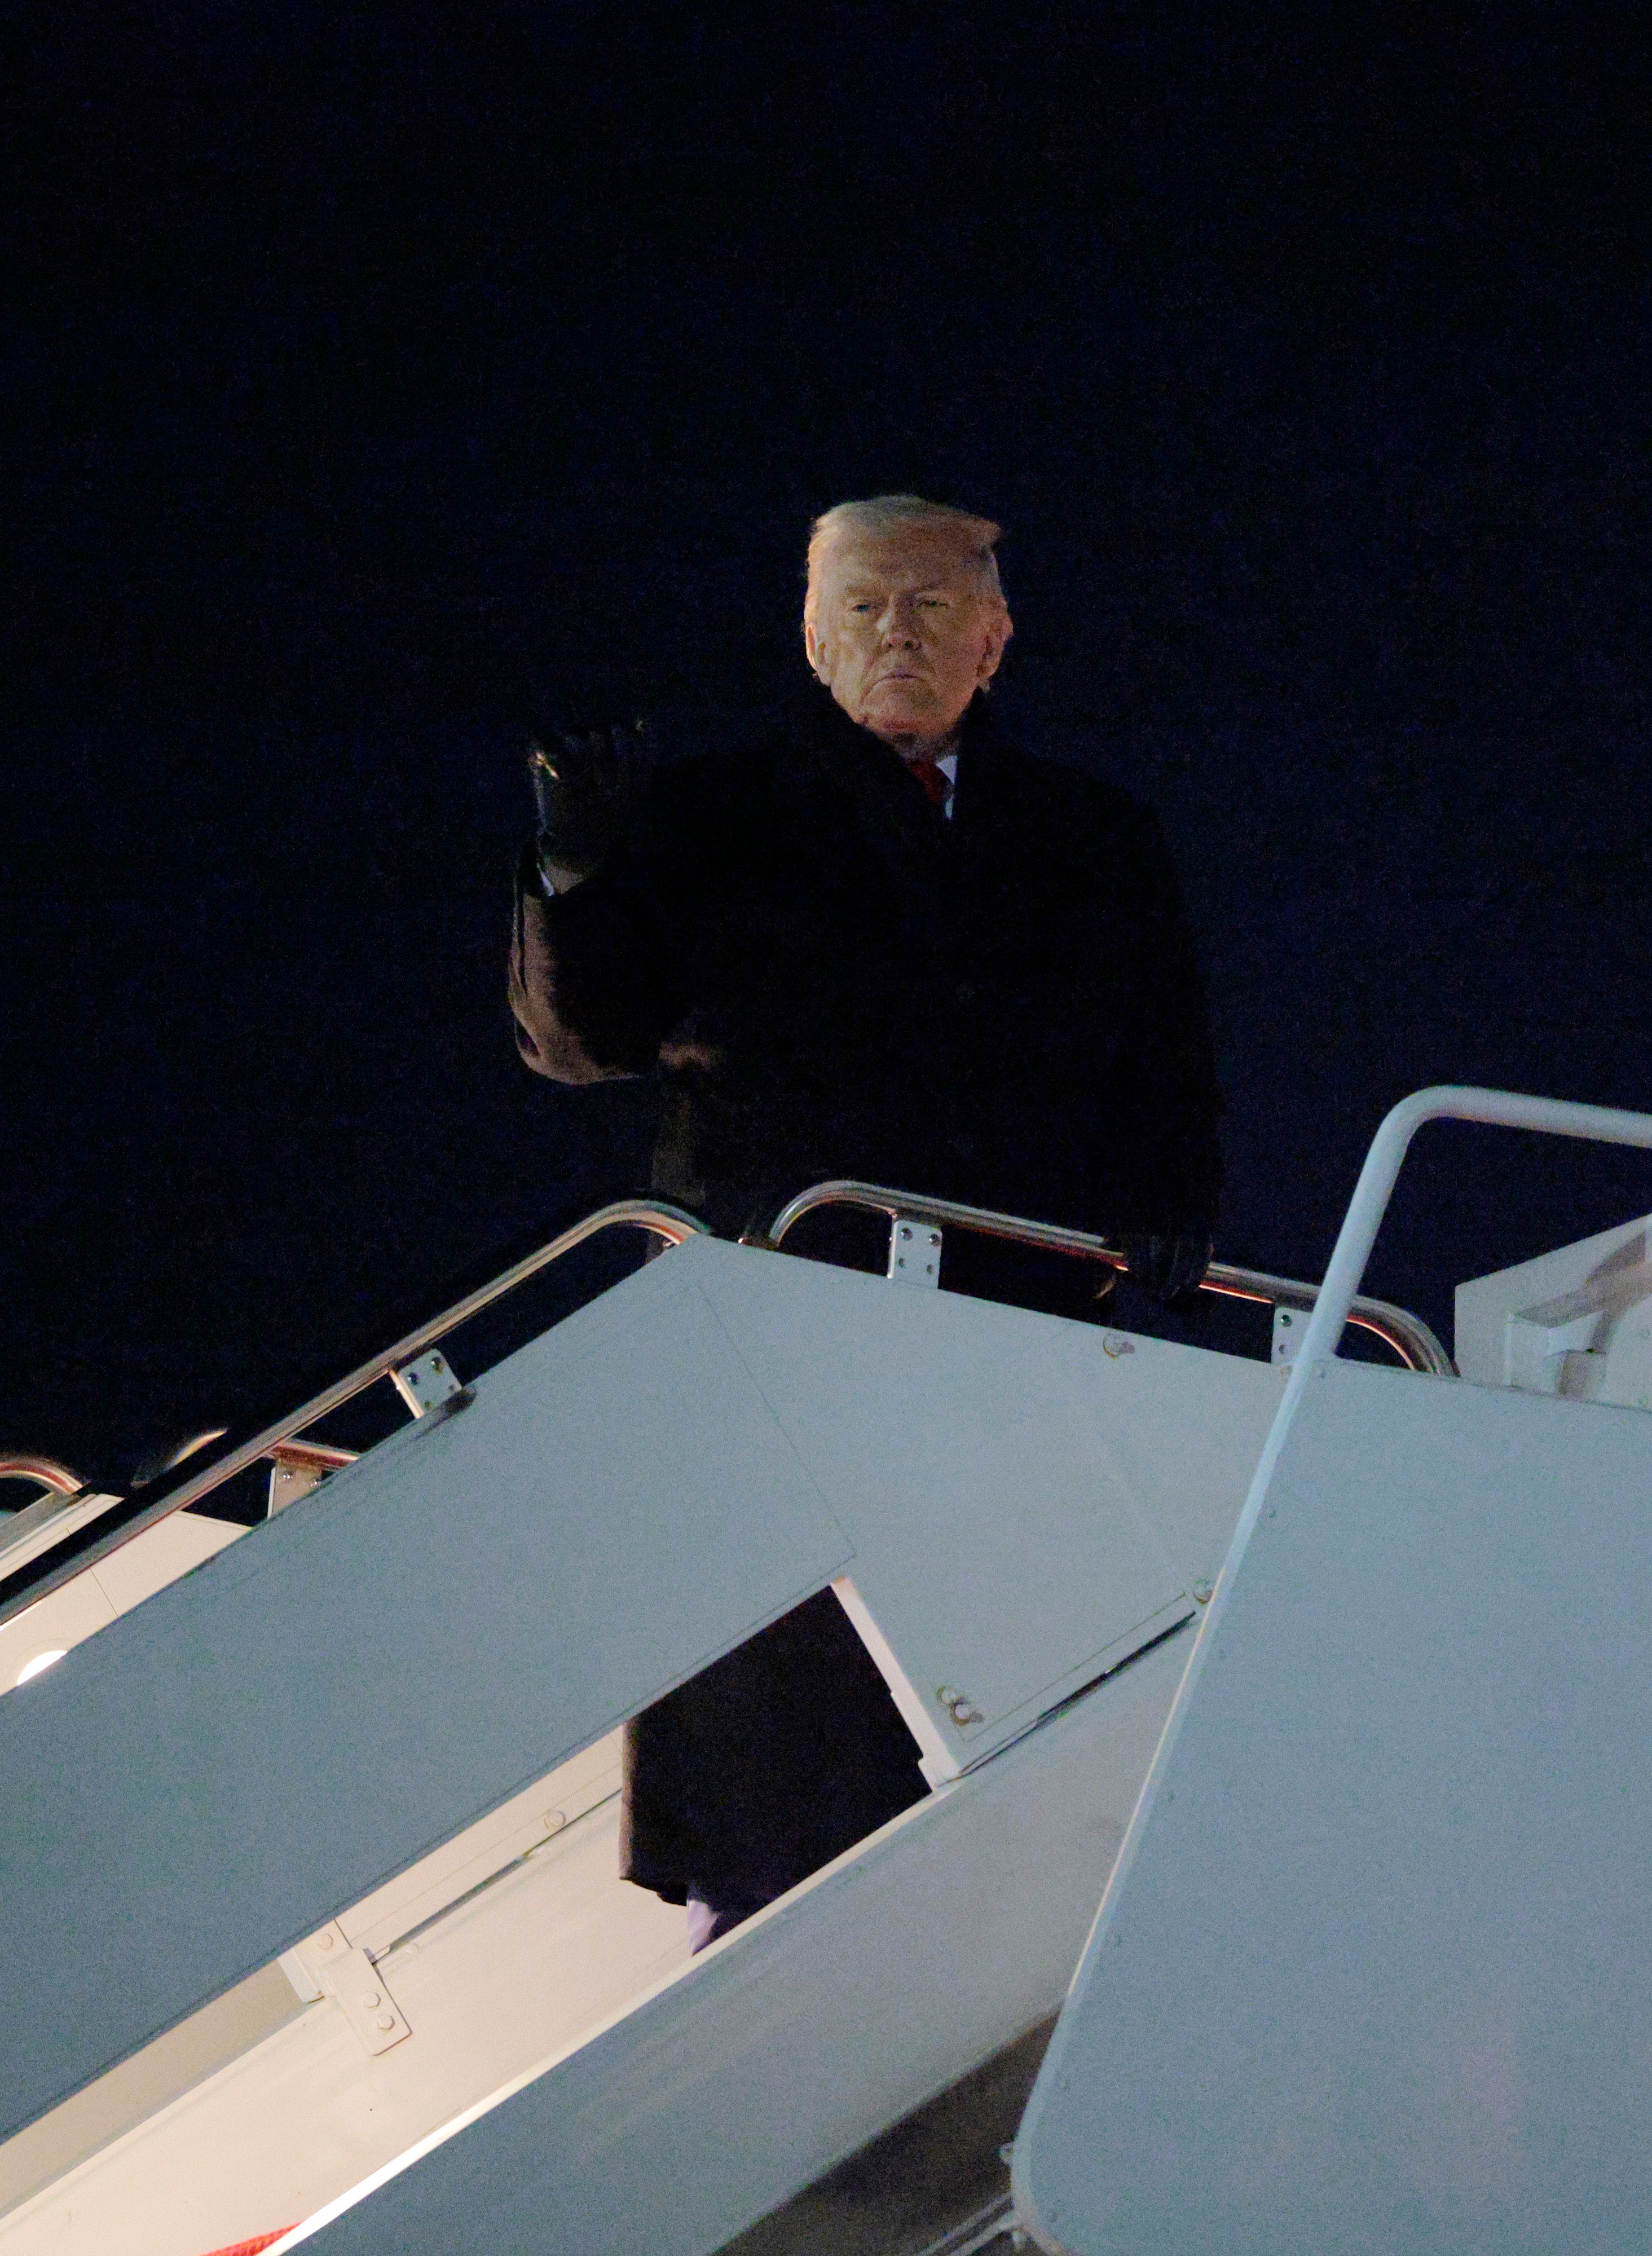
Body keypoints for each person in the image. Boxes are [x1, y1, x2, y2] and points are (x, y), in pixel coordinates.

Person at [507, 493, 1225, 1943]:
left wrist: (1169, 1209)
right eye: (865, 608)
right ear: (813, 641)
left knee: (1037, 1677)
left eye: (933, 605)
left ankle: (1057, 1939)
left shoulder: (1095, 834)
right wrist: (580, 868)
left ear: (996, 637)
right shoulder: (708, 815)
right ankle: (763, 1955)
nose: (899, 632)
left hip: (1013, 1324)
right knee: (782, 1698)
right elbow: (582, 1037)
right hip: (782, 1317)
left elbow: (1165, 1051)